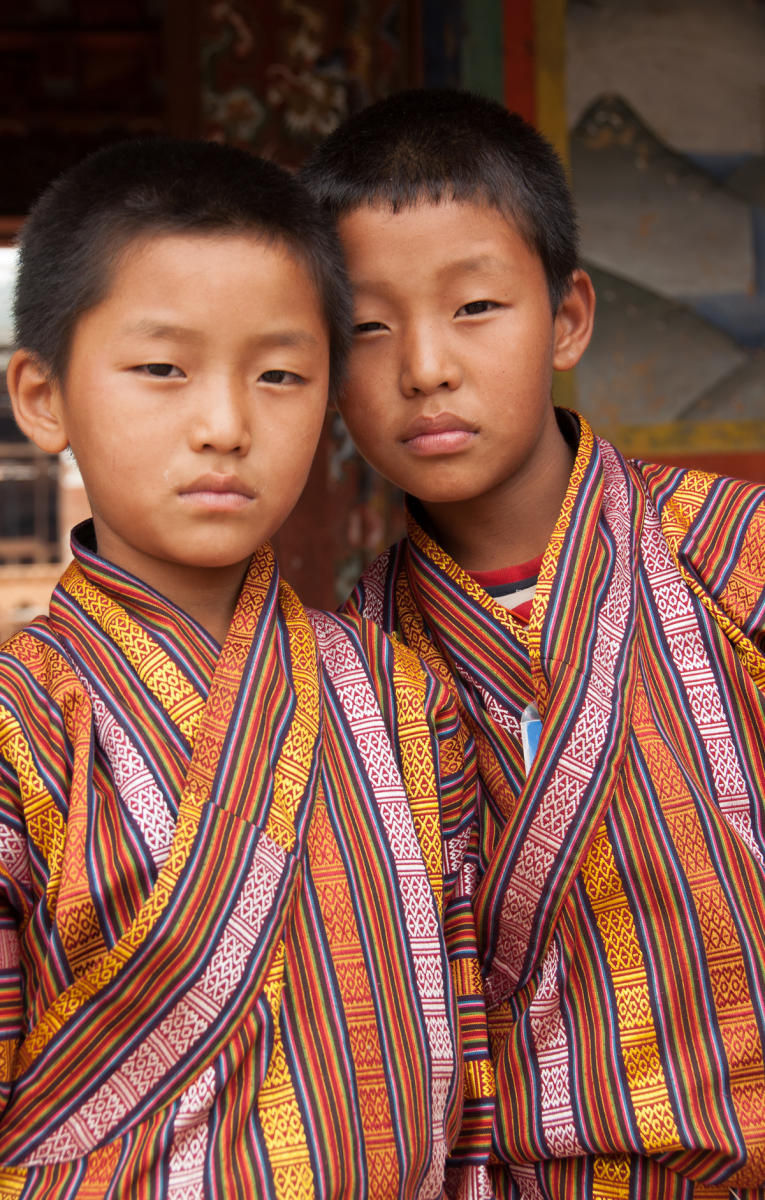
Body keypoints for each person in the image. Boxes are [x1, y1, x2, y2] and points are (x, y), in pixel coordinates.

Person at [0, 137, 495, 1199]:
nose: (225, 426)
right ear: (42, 396)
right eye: (163, 370)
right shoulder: (21, 728)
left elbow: (474, 1074)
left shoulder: (403, 696)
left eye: (279, 375)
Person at [302, 88, 765, 1198]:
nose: (424, 365)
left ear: (567, 317)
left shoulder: (736, 559)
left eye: (476, 307)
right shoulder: (350, 672)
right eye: (367, 326)